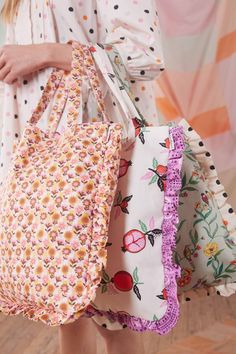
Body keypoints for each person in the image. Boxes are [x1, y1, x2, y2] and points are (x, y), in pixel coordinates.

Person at [0, 1, 165, 354]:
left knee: (114, 315)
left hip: (98, 164)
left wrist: (47, 53)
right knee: (66, 310)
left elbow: (144, 54)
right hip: (40, 167)